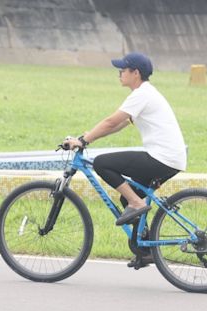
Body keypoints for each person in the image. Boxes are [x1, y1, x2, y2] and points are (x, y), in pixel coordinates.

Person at [63, 52, 186, 266]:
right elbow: (120, 124)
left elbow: (112, 121)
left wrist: (83, 140)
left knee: (102, 164)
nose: (119, 73)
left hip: (161, 158)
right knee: (126, 196)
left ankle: (137, 204)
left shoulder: (142, 94)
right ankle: (146, 250)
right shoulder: (145, 93)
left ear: (135, 73)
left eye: (123, 70)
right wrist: (89, 138)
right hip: (170, 159)